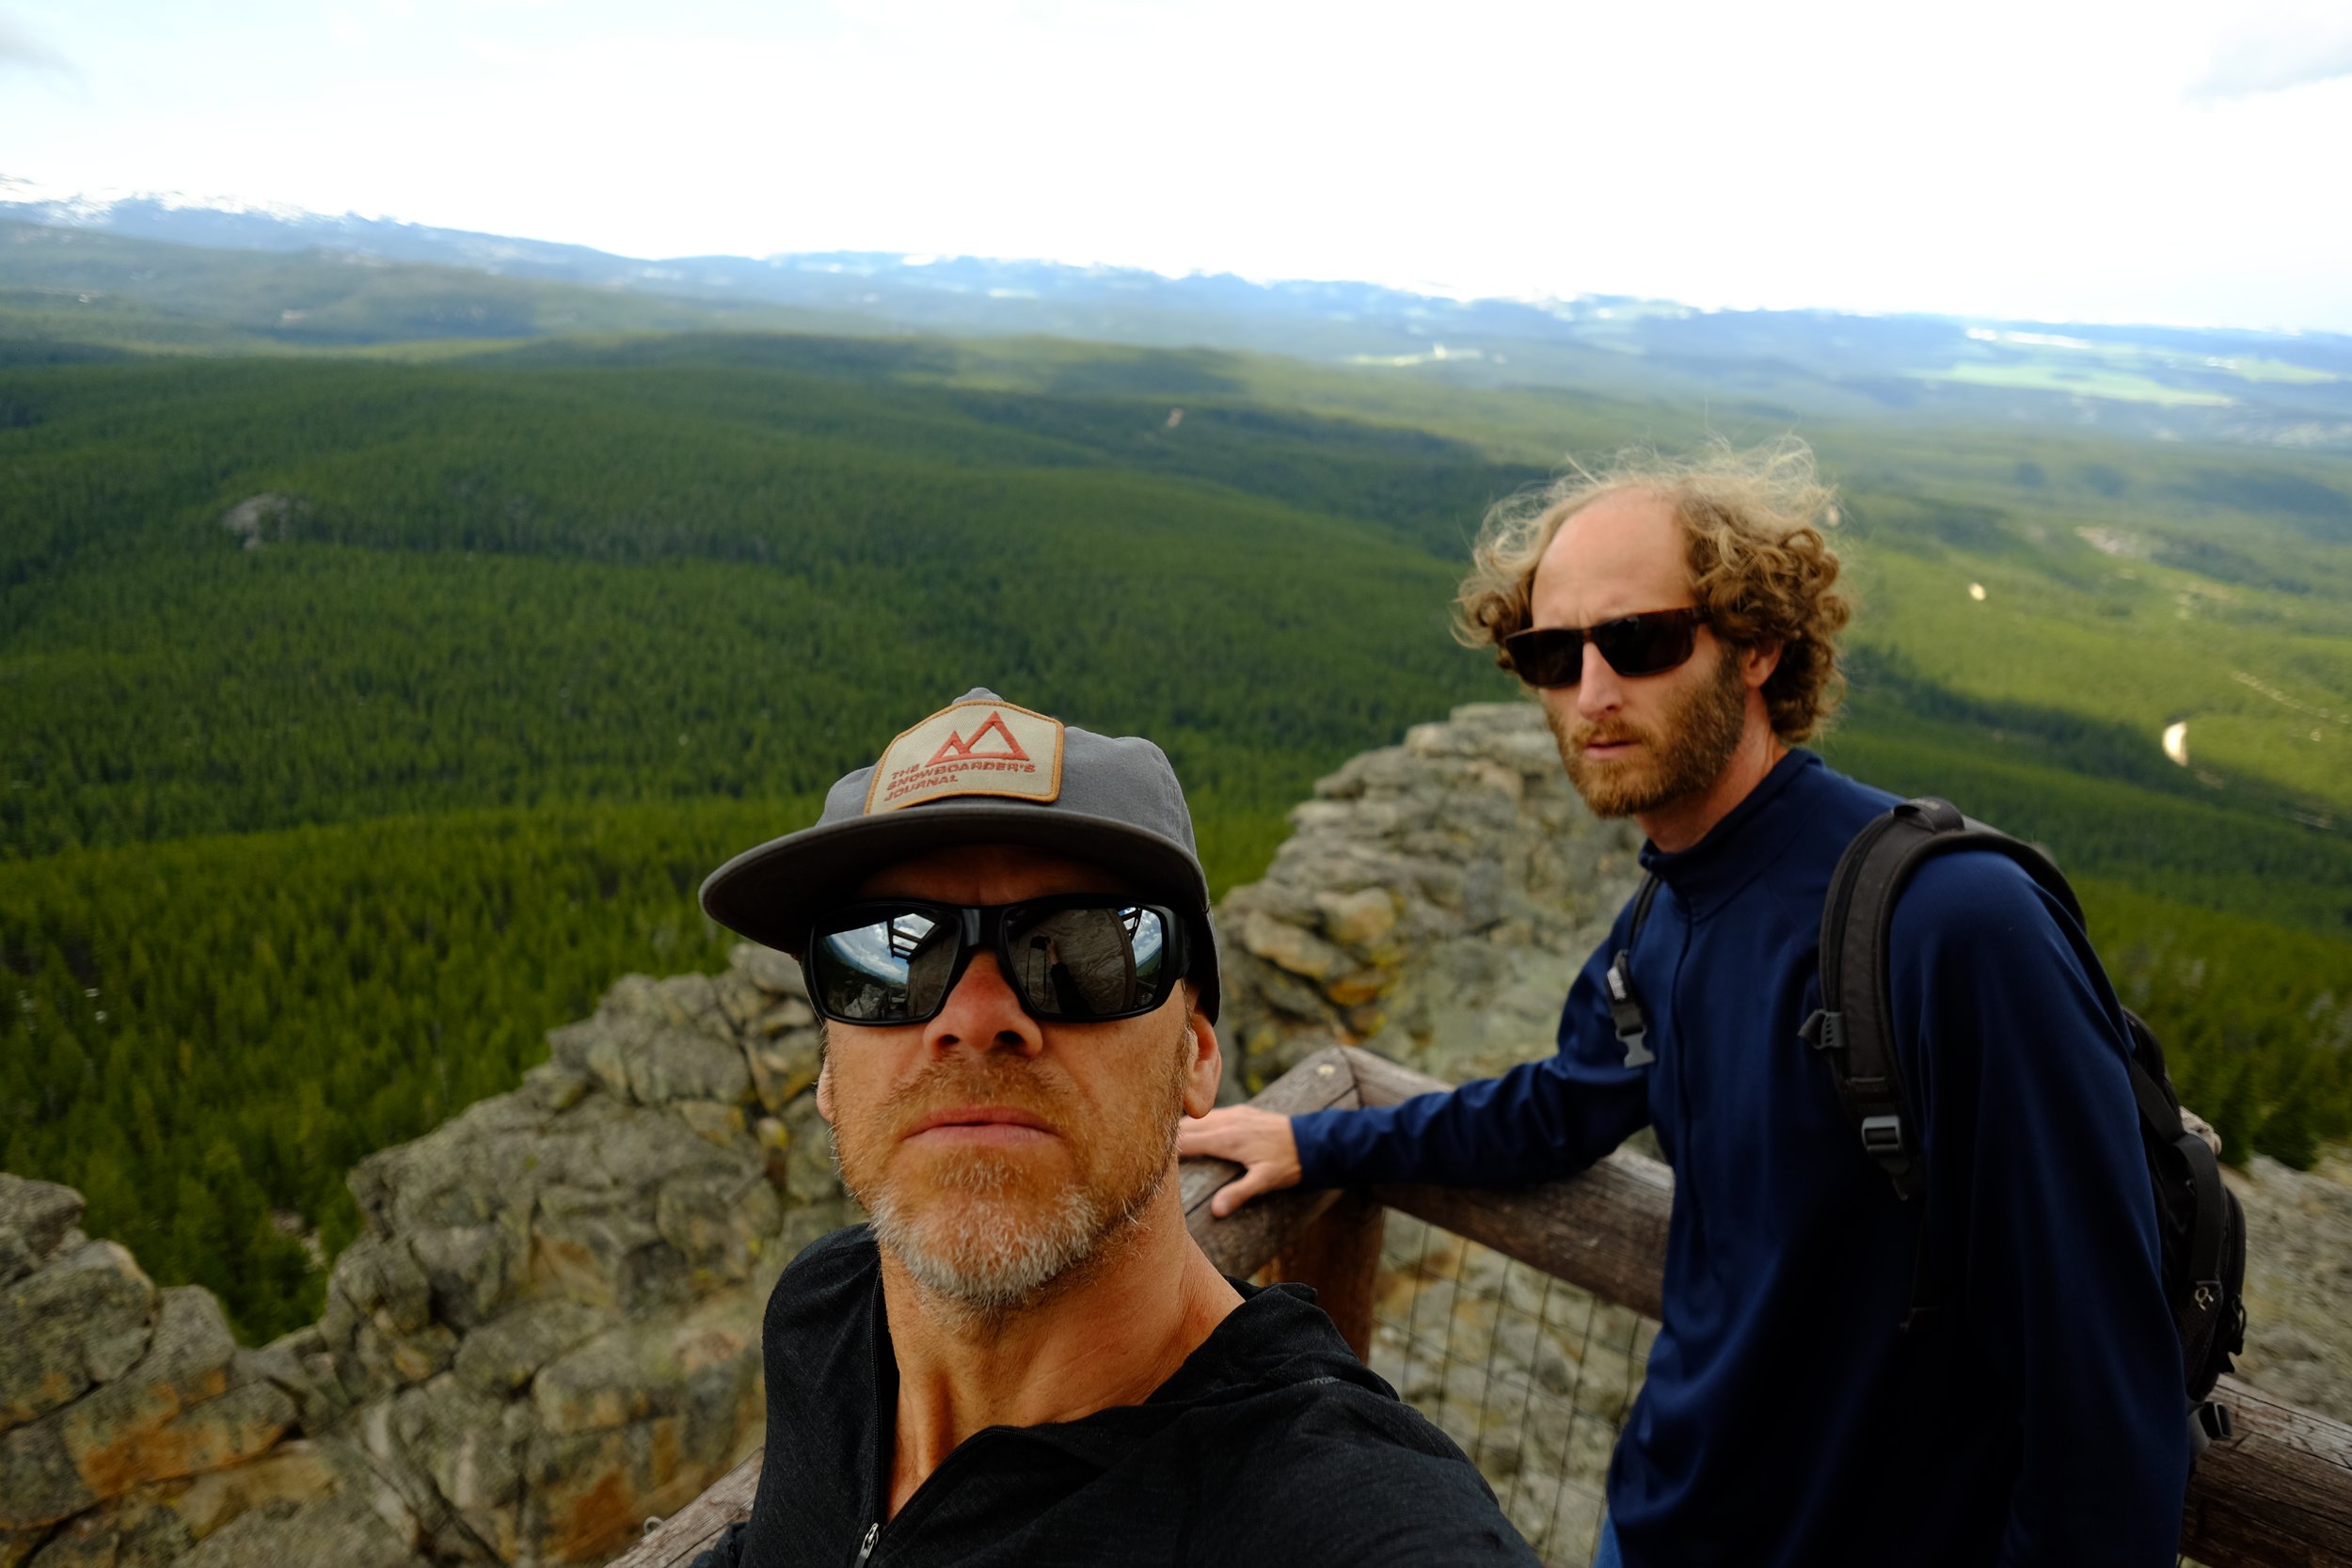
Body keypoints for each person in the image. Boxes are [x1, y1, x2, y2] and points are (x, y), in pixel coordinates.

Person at [1179, 445, 2193, 1568]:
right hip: (1659, 1517)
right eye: (1551, 655)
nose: (1592, 692)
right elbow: (1556, 1111)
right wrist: (1316, 1138)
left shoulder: (1953, 923)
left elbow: (2102, 1390)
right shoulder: (1659, 920)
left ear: (1758, 643)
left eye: (1642, 640)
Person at [690, 689, 1540, 1568]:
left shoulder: (1330, 1512)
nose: (978, 1015)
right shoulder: (824, 1314)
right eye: (889, 955)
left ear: (1197, 1058)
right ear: (831, 1068)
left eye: (1082, 949)